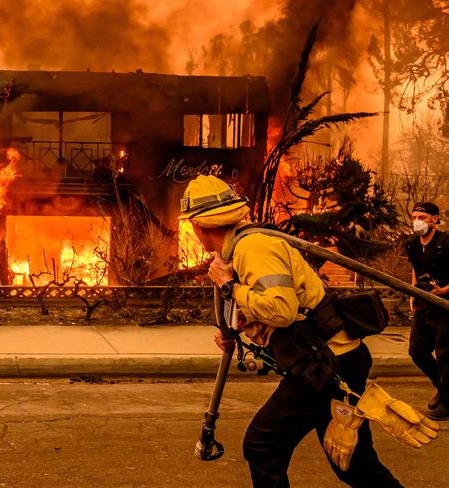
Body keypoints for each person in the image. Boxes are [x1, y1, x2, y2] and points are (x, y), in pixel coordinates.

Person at [178, 175, 403, 487]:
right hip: (333, 360)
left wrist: (228, 286)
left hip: (327, 364)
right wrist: (238, 326)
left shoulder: (253, 248)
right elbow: (272, 305)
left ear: (198, 226)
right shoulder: (237, 250)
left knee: (262, 444)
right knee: (353, 464)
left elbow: (281, 310)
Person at [405, 201, 449, 420]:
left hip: (445, 307)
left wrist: (444, 290)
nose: (417, 222)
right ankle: (443, 389)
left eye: (422, 218)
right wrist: (413, 292)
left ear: (435, 219)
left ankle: (448, 403)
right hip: (423, 305)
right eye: (414, 217)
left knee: (445, 355)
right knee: (417, 352)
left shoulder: (446, 242)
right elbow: (415, 268)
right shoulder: (412, 243)